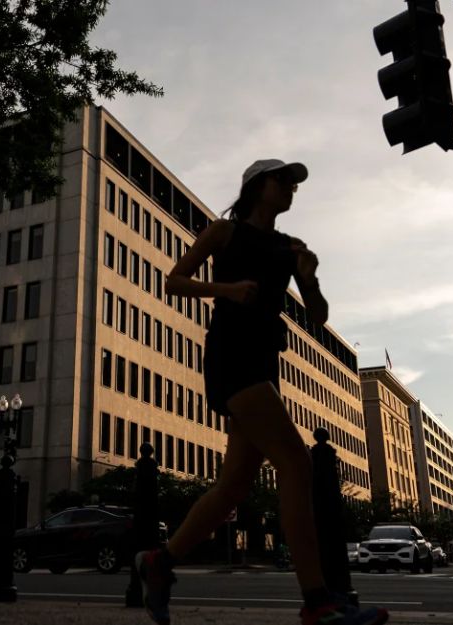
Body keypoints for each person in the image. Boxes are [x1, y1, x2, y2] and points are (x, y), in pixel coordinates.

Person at [134, 160, 388, 625]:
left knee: (233, 487)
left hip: (266, 361)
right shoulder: (222, 233)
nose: (291, 189)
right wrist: (225, 289)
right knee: (296, 461)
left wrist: (308, 277)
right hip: (231, 355)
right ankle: (318, 601)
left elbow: (319, 316)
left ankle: (159, 562)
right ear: (256, 186)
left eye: (294, 184)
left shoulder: (291, 248)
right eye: (283, 181)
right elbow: (174, 280)